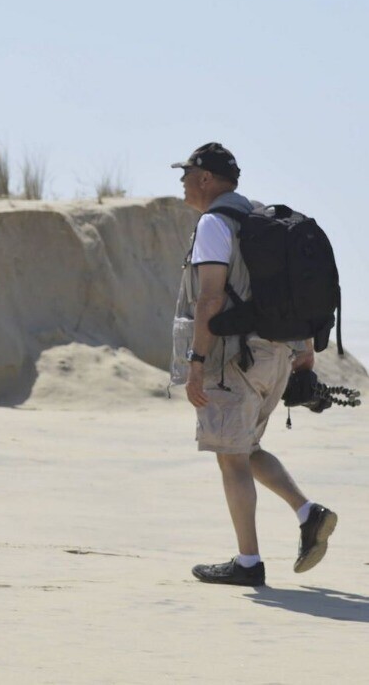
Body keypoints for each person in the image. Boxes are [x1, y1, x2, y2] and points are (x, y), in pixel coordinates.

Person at [170, 142, 337, 586]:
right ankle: (308, 513)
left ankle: (248, 563)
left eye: (186, 174)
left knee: (230, 457)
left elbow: (209, 297)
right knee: (246, 448)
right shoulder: (261, 218)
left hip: (233, 357)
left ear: (206, 178)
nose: (182, 182)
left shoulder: (214, 223)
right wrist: (304, 349)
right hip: (277, 353)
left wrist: (196, 362)